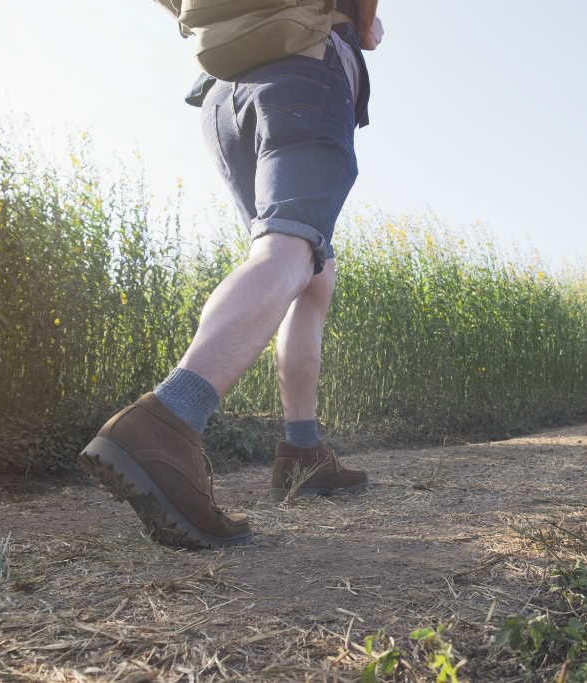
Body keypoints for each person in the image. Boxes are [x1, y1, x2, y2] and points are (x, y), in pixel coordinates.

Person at [77, 0, 384, 549]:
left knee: (310, 269)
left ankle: (303, 452)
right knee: (288, 250)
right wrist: (364, 25)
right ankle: (168, 419)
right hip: (303, 64)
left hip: (223, 94)